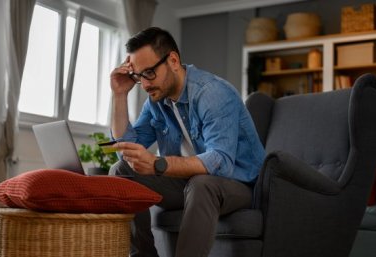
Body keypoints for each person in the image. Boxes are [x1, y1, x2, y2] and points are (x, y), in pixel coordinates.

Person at [109, 27, 265, 257]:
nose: (145, 84)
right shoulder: (156, 101)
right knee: (121, 170)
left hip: (239, 184)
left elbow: (219, 161)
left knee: (202, 184)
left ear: (173, 60)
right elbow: (126, 152)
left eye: (149, 72)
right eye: (139, 76)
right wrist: (119, 95)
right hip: (188, 181)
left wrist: (157, 164)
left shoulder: (212, 94)